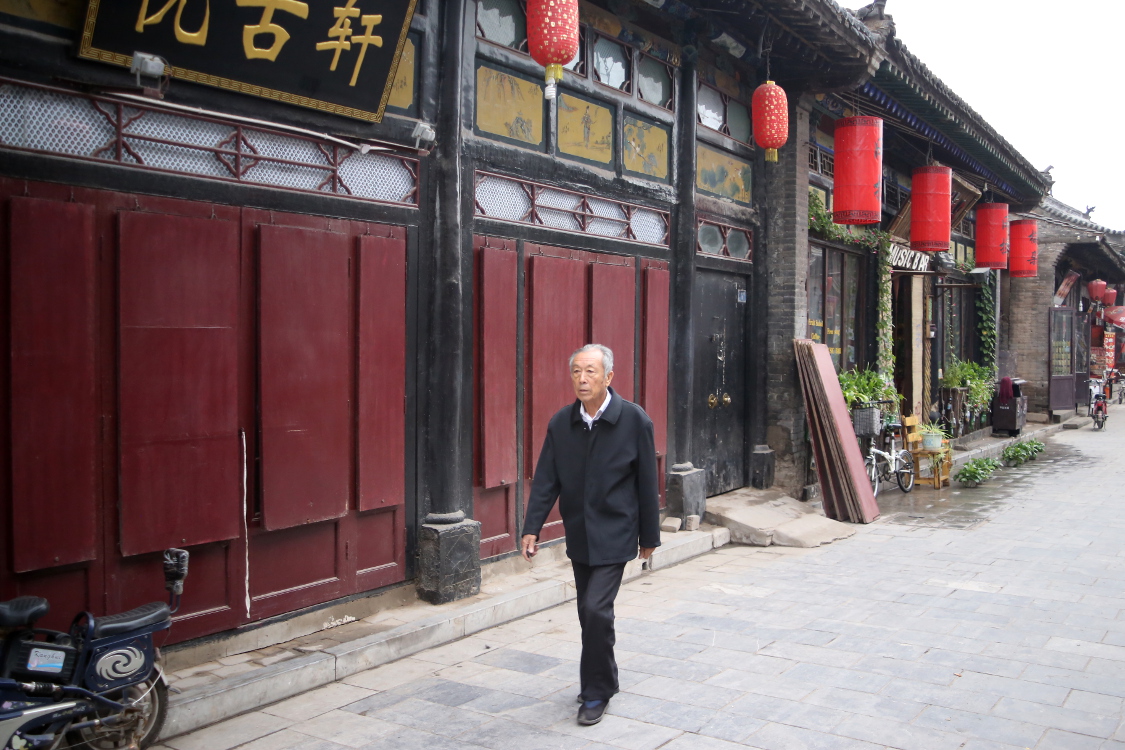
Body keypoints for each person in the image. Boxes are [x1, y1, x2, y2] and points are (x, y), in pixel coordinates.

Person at [521, 343, 661, 726]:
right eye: (576, 372)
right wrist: (532, 528)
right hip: (580, 534)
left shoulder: (634, 421)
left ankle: (596, 692)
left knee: (596, 609)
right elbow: (546, 480)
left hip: (617, 532)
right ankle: (606, 677)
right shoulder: (561, 424)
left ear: (608, 377)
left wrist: (649, 535)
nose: (582, 379)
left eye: (591, 372)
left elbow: (647, 483)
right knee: (589, 612)